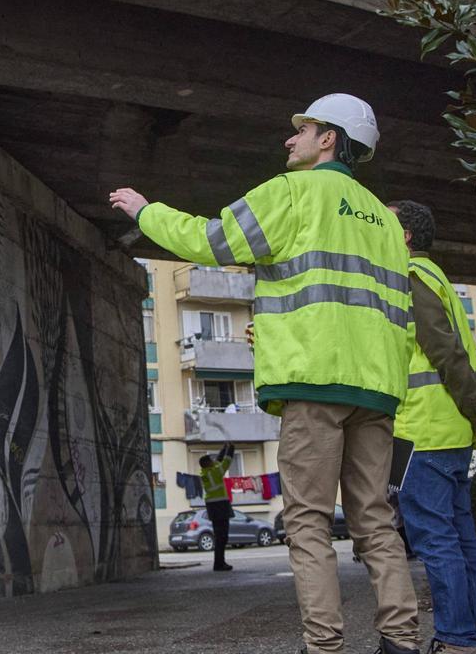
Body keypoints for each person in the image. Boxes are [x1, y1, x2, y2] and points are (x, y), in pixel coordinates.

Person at [110, 94, 419, 654]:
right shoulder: (382, 220)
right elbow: (396, 315)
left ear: (330, 139)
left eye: (303, 129)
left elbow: (212, 241)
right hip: (375, 390)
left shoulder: (293, 192)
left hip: (312, 383)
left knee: (306, 520)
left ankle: (323, 646)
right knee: (376, 520)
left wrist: (145, 211)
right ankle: (401, 640)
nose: (290, 138)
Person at [386, 200, 476, 654]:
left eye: (387, 221)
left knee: (437, 543)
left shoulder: (411, 278)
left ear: (406, 237)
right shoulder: (439, 279)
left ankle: (455, 641)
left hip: (423, 433)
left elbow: (444, 351)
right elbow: (470, 351)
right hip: (451, 431)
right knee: (463, 540)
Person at [200, 442, 237, 571]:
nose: (213, 461)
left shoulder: (207, 472)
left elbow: (218, 460)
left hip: (213, 506)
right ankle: (219, 564)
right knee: (222, 536)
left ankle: (219, 562)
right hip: (219, 505)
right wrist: (231, 448)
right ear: (207, 464)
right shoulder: (214, 473)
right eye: (210, 460)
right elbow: (226, 462)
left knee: (219, 536)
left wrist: (224, 448)